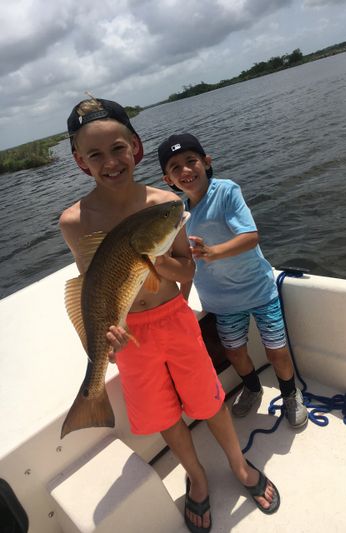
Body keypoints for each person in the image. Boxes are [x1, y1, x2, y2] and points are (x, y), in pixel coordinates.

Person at [59, 97, 280, 533]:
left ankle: (238, 464)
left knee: (209, 400)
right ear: (80, 162)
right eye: (96, 155)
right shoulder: (74, 221)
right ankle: (197, 477)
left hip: (173, 319)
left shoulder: (165, 203)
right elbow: (93, 288)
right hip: (127, 334)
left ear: (136, 147)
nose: (110, 162)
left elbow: (185, 272)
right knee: (162, 416)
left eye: (118, 148)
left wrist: (147, 259)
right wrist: (105, 341)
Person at [157, 133, 308, 428]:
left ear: (207, 162)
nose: (186, 170)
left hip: (260, 290)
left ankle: (291, 394)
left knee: (276, 352)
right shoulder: (179, 216)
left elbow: (251, 237)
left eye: (191, 161)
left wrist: (213, 252)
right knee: (234, 352)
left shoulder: (226, 190)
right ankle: (253, 388)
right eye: (176, 167)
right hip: (221, 302)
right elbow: (187, 266)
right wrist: (181, 302)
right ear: (168, 180)